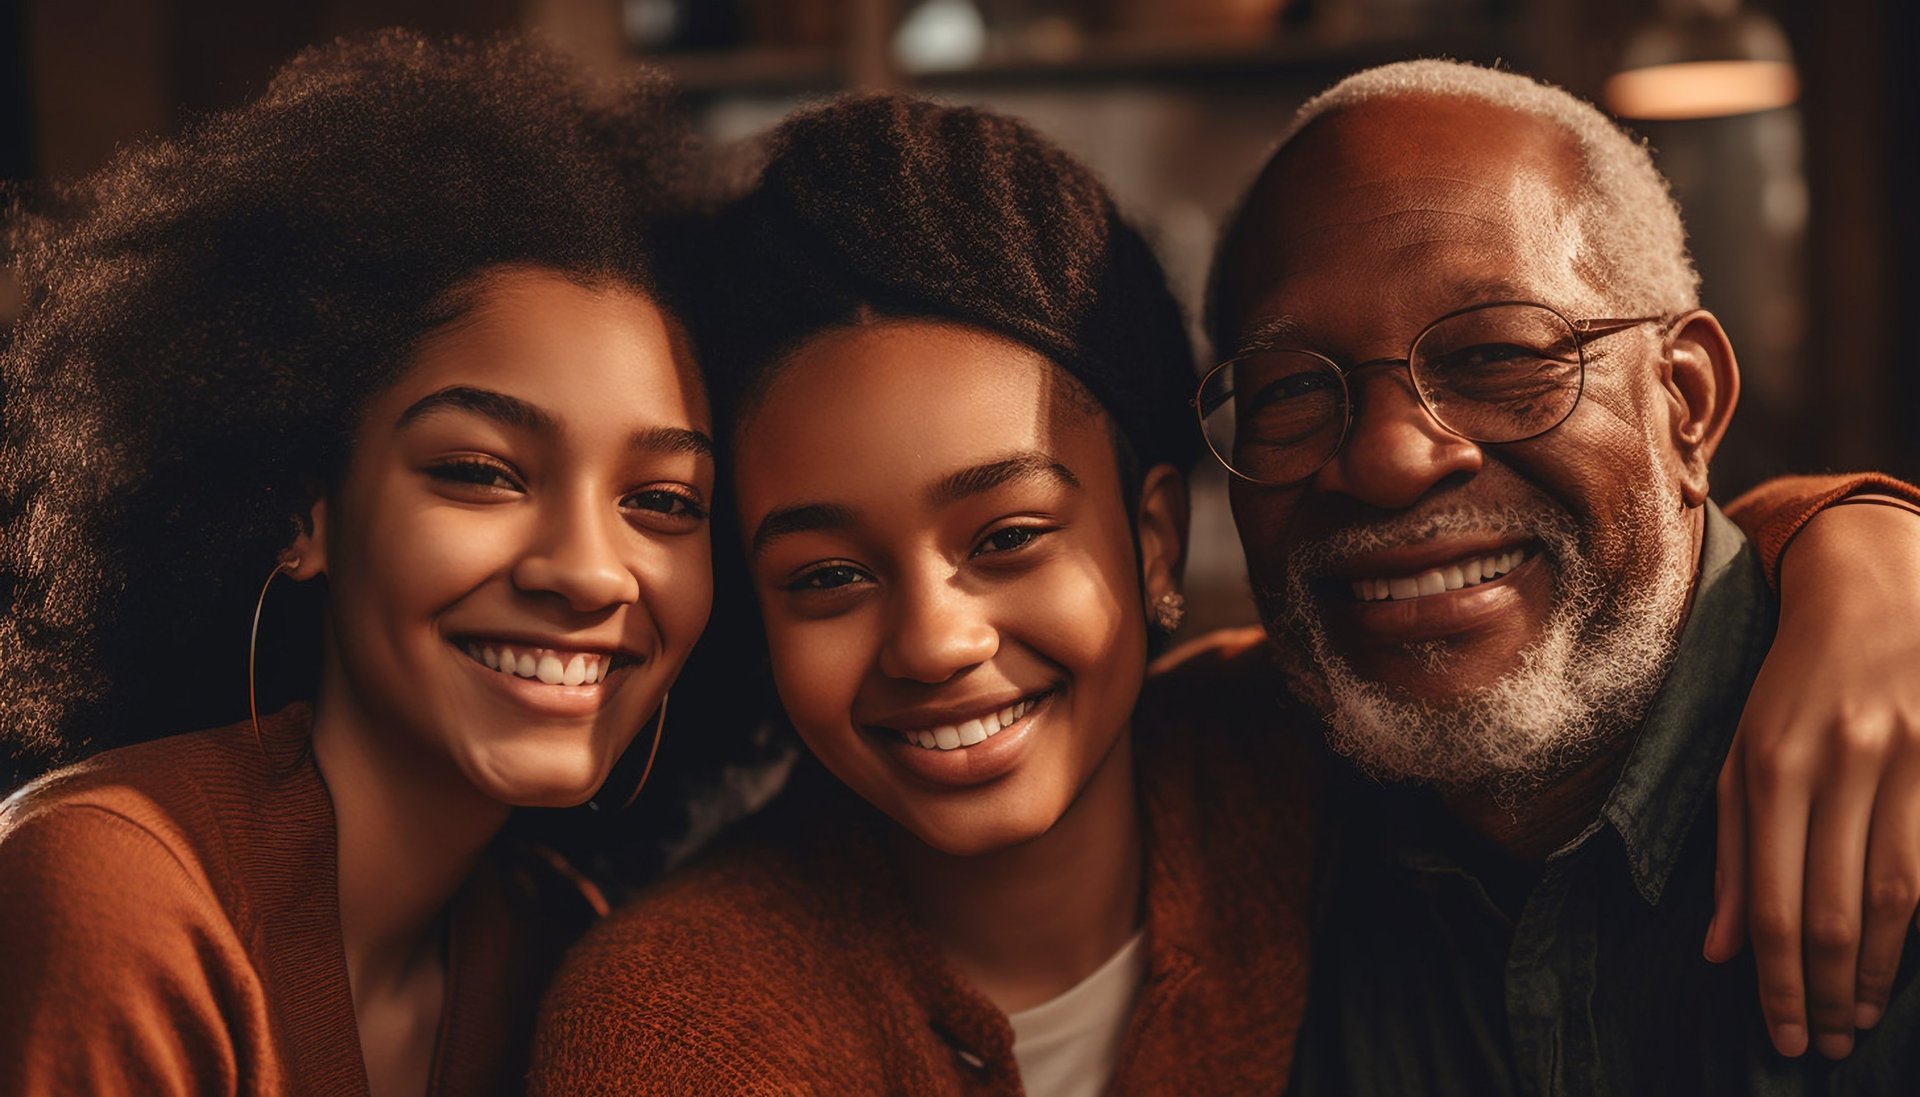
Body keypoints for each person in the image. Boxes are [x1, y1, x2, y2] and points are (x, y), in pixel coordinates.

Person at [529, 92, 1920, 1095]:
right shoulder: (1333, 748)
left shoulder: (1303, 756)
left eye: (1008, 533)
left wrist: (1859, 551)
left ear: (1148, 544)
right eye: (826, 574)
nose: (1387, 457)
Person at [0, 33, 713, 1096]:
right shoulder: (118, 884)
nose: (591, 573)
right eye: (481, 471)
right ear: (303, 510)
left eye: (661, 501)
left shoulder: (560, 938)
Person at [1198, 60, 1920, 1092]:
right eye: (1290, 390)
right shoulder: (1225, 805)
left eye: (1494, 353)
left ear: (1686, 403)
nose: (1392, 458)